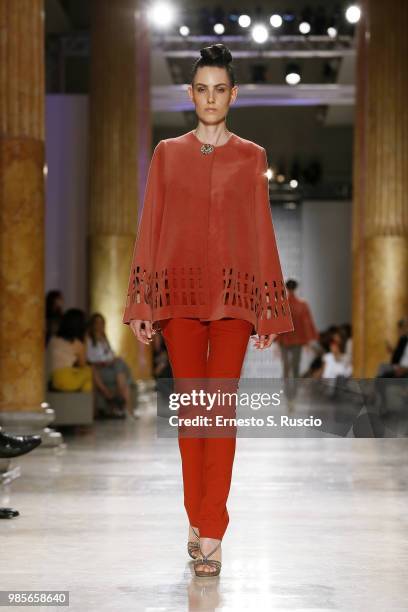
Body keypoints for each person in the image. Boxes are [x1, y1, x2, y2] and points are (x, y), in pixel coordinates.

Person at [122, 44, 294, 577]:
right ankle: (195, 520)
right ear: (191, 93)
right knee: (193, 415)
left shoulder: (251, 156)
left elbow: (260, 230)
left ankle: (211, 530)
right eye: (203, 88)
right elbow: (152, 223)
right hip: (177, 298)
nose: (211, 98)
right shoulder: (167, 153)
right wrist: (142, 300)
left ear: (233, 94)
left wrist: (268, 307)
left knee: (218, 414)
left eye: (221, 89)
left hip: (234, 301)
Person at [275, 279, 320, 402]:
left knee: (286, 366)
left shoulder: (282, 304)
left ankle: (288, 394)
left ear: (287, 288)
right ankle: (292, 395)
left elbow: (278, 324)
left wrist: (276, 342)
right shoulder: (302, 305)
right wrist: (307, 341)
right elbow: (307, 324)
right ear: (296, 288)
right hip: (297, 341)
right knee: (295, 367)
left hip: (284, 340)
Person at [86, 313, 137, 419]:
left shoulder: (104, 338)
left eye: (102, 323)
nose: (100, 325)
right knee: (120, 367)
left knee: (119, 364)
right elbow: (90, 359)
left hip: (110, 368)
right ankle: (126, 407)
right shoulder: (89, 340)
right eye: (97, 323)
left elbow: (109, 354)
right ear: (92, 325)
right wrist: (106, 361)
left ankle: (127, 409)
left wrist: (112, 359)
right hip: (99, 369)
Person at [46, 309, 94, 392]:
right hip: (68, 380)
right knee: (89, 371)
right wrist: (85, 339)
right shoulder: (76, 343)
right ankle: (86, 402)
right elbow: (82, 364)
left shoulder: (53, 339)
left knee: (87, 382)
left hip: (53, 379)